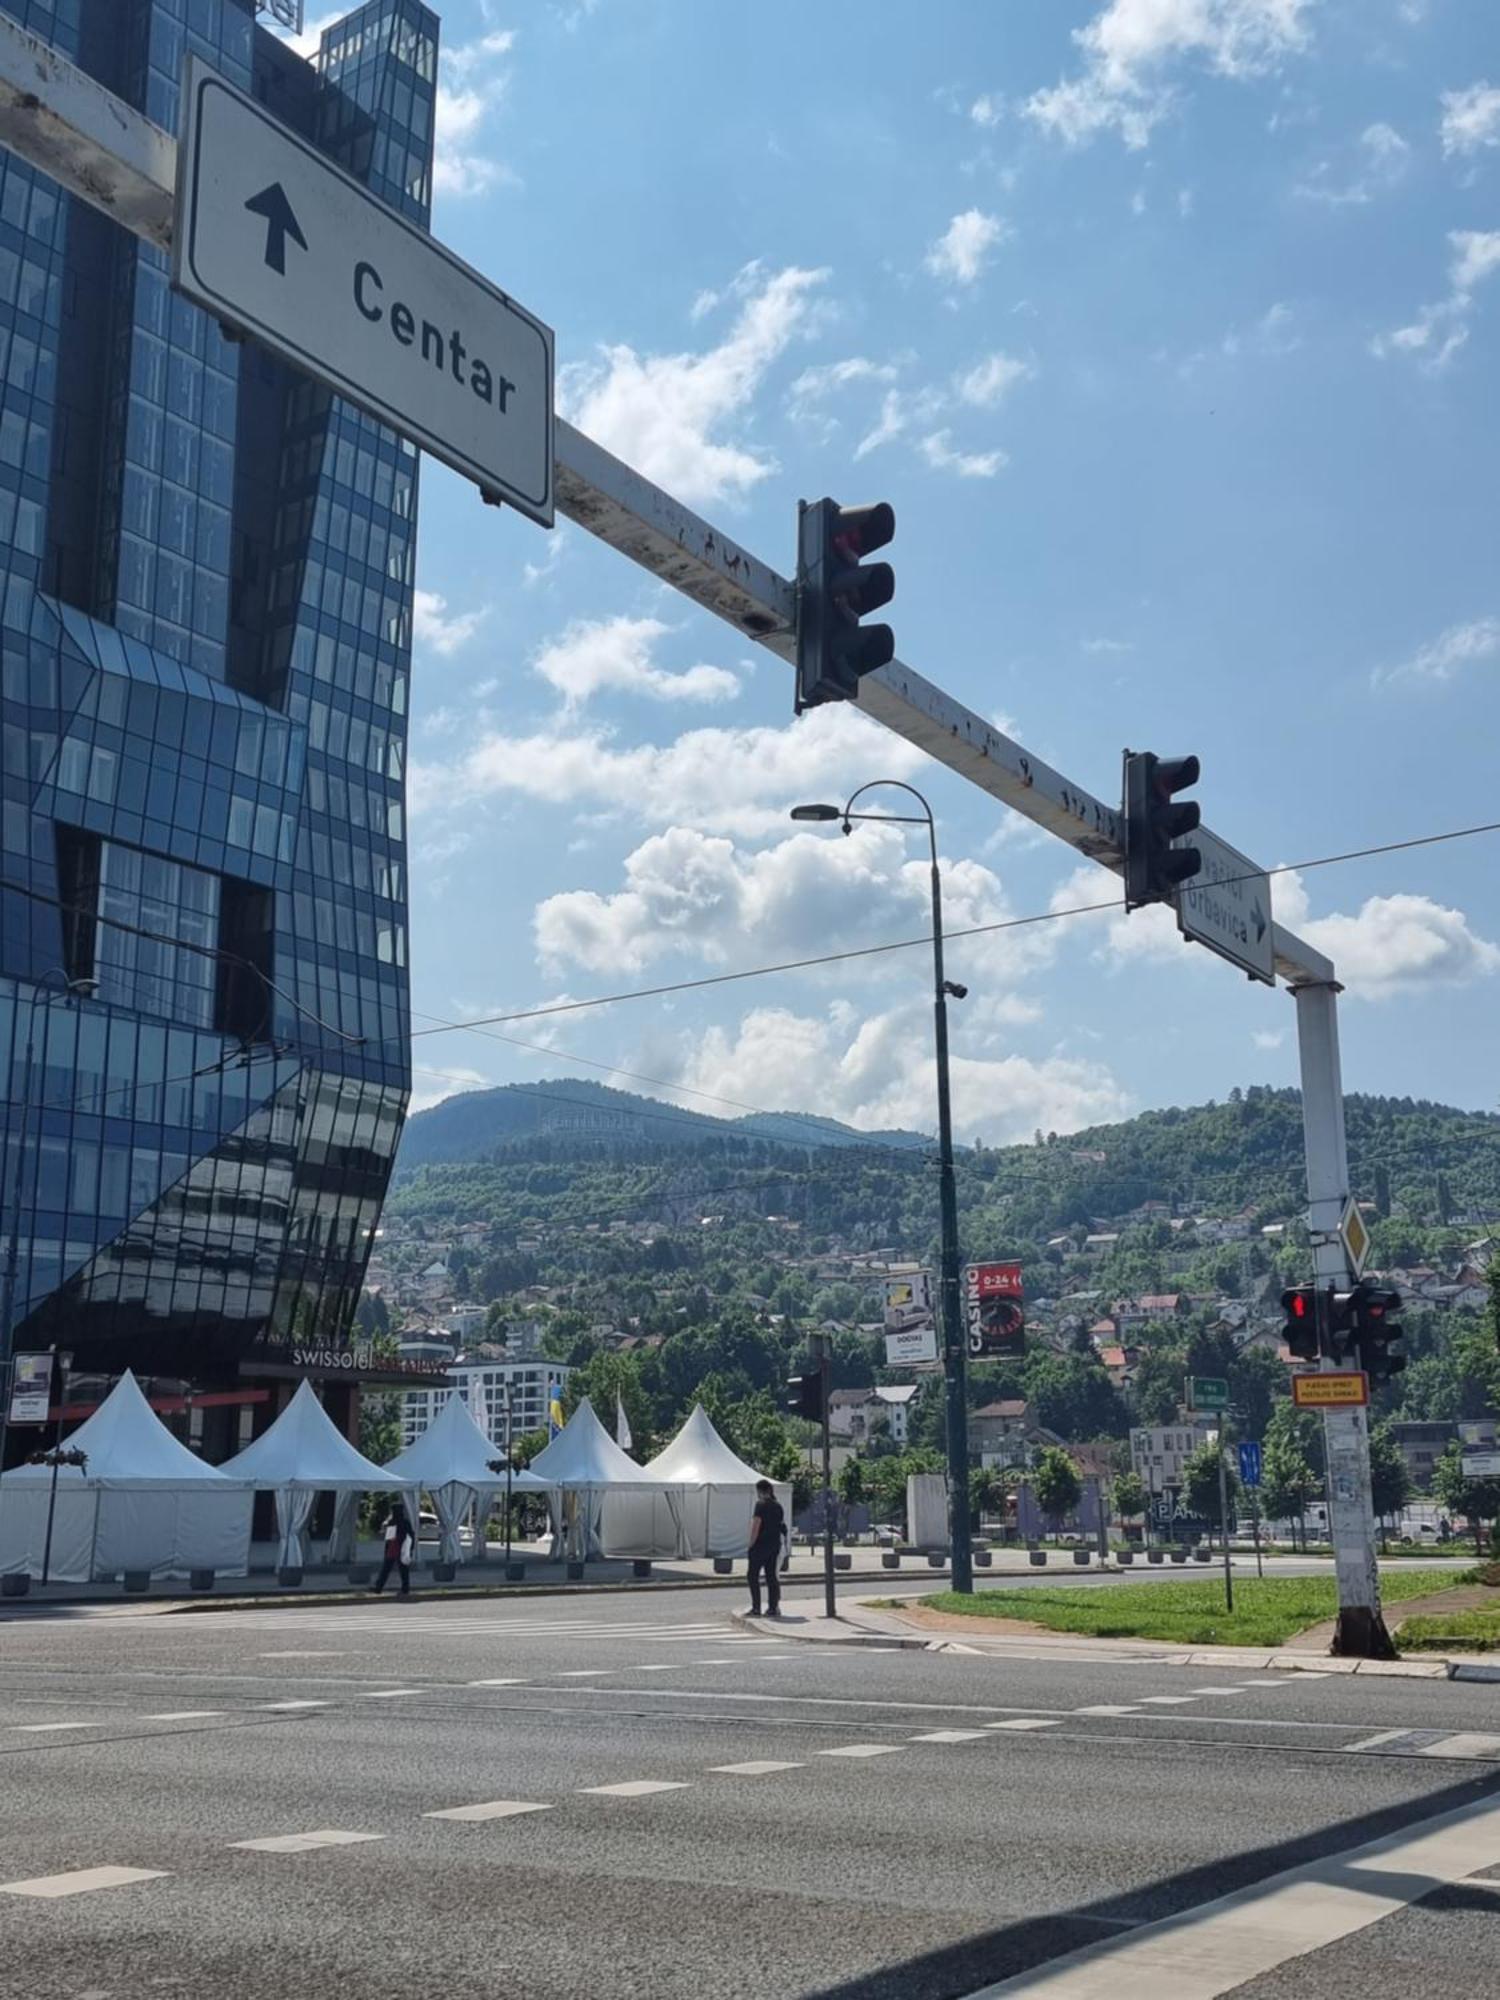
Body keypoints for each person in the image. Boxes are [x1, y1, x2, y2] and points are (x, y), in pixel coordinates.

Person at [746, 1479, 786, 1618]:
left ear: (760, 1491)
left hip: (760, 1545)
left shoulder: (760, 1505)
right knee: (771, 1577)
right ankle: (772, 1607)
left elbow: (756, 1525)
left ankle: (756, 1607)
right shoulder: (778, 1506)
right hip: (774, 1545)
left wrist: (751, 1544)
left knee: (752, 1576)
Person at [372, 1502, 414, 1597]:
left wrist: (386, 1550)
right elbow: (411, 1536)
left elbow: (389, 1538)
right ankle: (405, 1589)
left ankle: (379, 1587)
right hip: (401, 1548)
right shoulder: (405, 1522)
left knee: (386, 1569)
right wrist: (410, 1549)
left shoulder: (392, 1522)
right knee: (403, 1570)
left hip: (394, 1548)